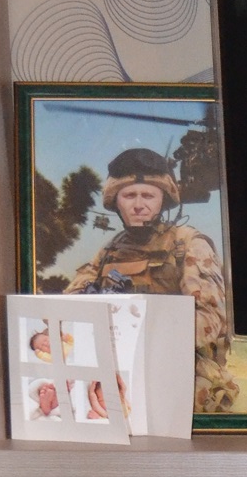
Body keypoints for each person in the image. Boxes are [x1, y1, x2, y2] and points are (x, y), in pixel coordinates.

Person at [65, 147, 236, 415]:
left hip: (180, 366)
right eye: (129, 195)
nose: (138, 205)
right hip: (119, 366)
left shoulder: (187, 243)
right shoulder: (109, 251)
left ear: (163, 200)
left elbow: (209, 320)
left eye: (148, 196)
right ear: (115, 201)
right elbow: (68, 307)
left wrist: (140, 335)